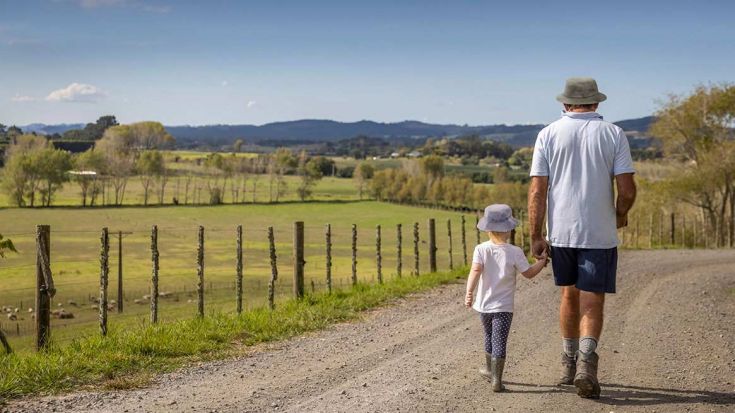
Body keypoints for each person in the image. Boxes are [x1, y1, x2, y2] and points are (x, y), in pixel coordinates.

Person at [528, 77, 637, 399]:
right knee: (593, 299)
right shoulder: (614, 134)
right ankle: (587, 364)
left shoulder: (547, 134)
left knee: (569, 295)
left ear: (565, 103)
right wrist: (619, 214)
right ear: (596, 103)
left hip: (561, 231)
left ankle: (568, 361)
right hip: (598, 233)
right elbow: (628, 189)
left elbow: (537, 190)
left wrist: (536, 234)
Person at [464, 204, 548, 392]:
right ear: (509, 229)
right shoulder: (515, 252)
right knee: (500, 340)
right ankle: (496, 380)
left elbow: (475, 271)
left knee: (488, 336)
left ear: (488, 229)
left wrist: (469, 292)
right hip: (503, 307)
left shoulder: (480, 249)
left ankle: (488, 369)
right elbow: (528, 273)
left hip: (483, 306)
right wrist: (541, 262)